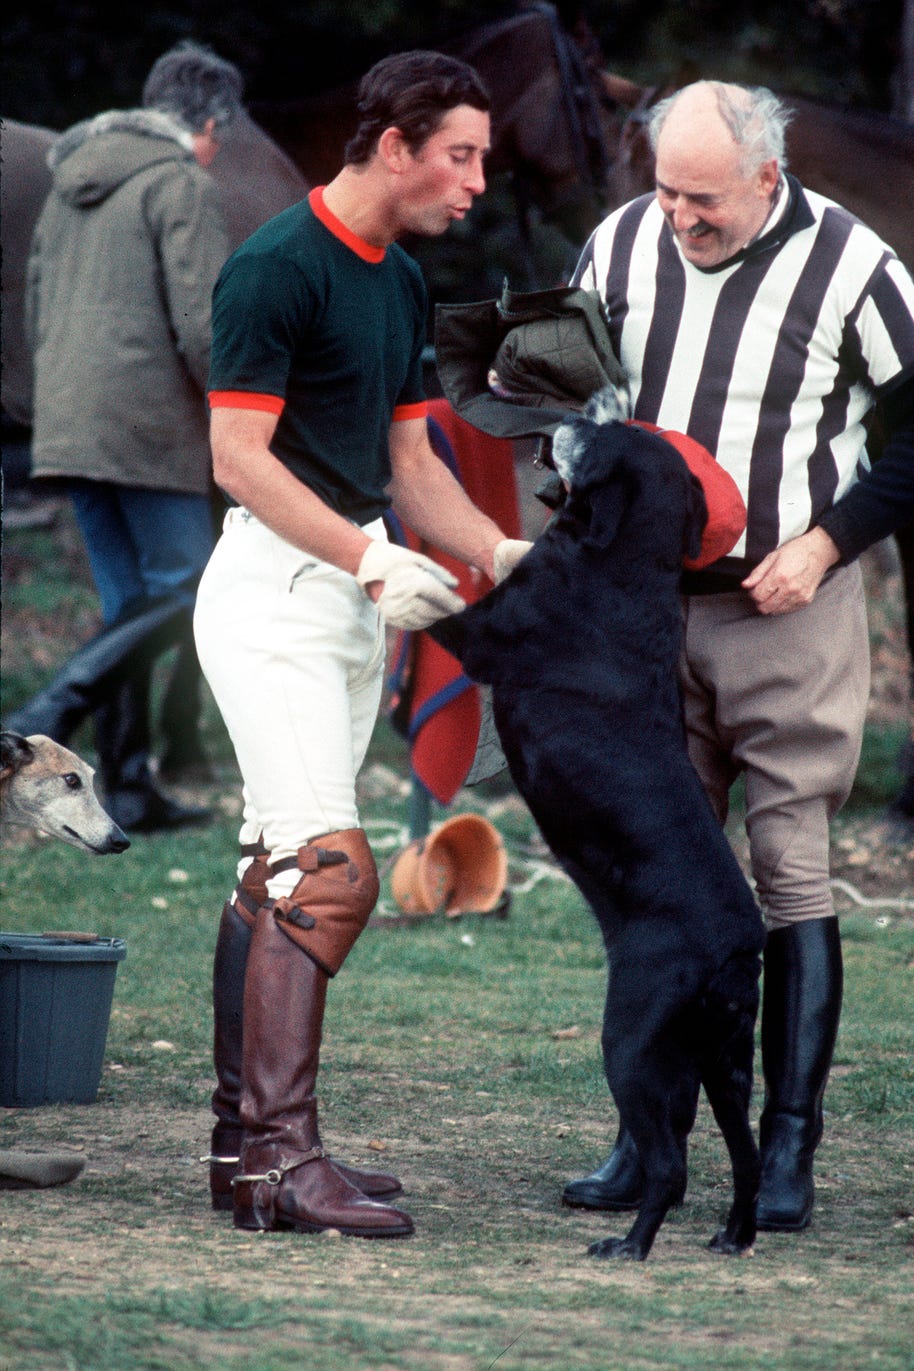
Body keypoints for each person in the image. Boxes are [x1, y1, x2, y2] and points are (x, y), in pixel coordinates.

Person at [562, 80, 914, 1232]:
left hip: (783, 603)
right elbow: (571, 389)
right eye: (664, 189)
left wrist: (827, 539)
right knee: (660, 878)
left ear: (764, 175)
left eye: (702, 197)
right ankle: (645, 1137)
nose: (679, 216)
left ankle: (788, 1147)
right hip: (647, 606)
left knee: (786, 868)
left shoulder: (852, 263)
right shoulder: (619, 241)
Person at [192, 50, 531, 1240]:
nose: (477, 181)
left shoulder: (394, 284)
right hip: (271, 594)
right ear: (393, 145)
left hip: (340, 598)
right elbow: (239, 461)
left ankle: (243, 1151)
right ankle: (287, 1161)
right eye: (460, 154)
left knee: (272, 869)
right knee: (329, 872)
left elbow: (408, 466)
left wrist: (500, 553)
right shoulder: (275, 266)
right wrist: (366, 557)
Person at [16, 40, 242, 828]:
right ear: (207, 122)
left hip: (71, 420)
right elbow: (201, 323)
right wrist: (238, 409)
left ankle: (133, 788)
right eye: (222, 138)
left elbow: (36, 306)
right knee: (189, 587)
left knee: (129, 605)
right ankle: (54, 703)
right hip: (148, 426)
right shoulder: (181, 181)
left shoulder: (67, 182)